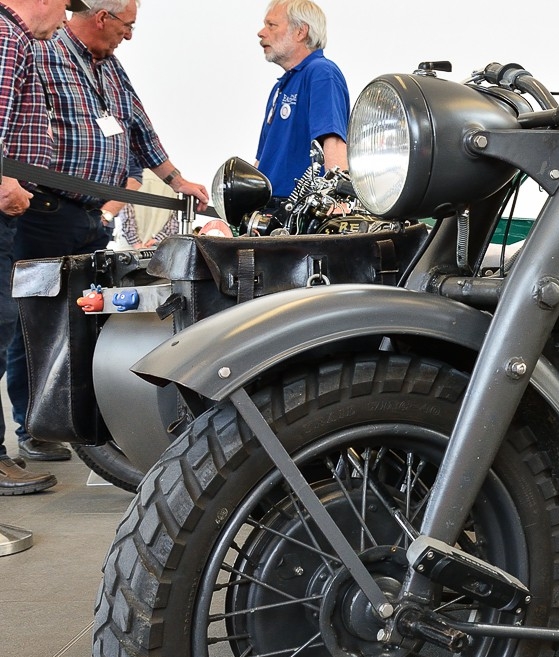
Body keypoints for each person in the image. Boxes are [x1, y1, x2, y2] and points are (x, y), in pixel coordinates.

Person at [8, 0, 208, 464]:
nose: (129, 36)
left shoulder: (111, 68)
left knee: (87, 323)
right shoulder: (44, 51)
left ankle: (80, 423)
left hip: (92, 219)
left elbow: (140, 130)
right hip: (46, 212)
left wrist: (177, 181)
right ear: (102, 17)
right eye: (127, 26)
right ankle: (33, 427)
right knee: (36, 324)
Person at [0, 0, 86, 495]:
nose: (65, 19)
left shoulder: (17, 39)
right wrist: (4, 182)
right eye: (65, 7)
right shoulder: (6, 36)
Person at [255, 0, 349, 199]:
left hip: (300, 210)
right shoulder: (280, 88)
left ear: (300, 32)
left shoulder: (321, 72)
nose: (261, 33)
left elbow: (333, 142)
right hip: (269, 210)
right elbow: (262, 161)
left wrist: (337, 200)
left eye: (271, 25)